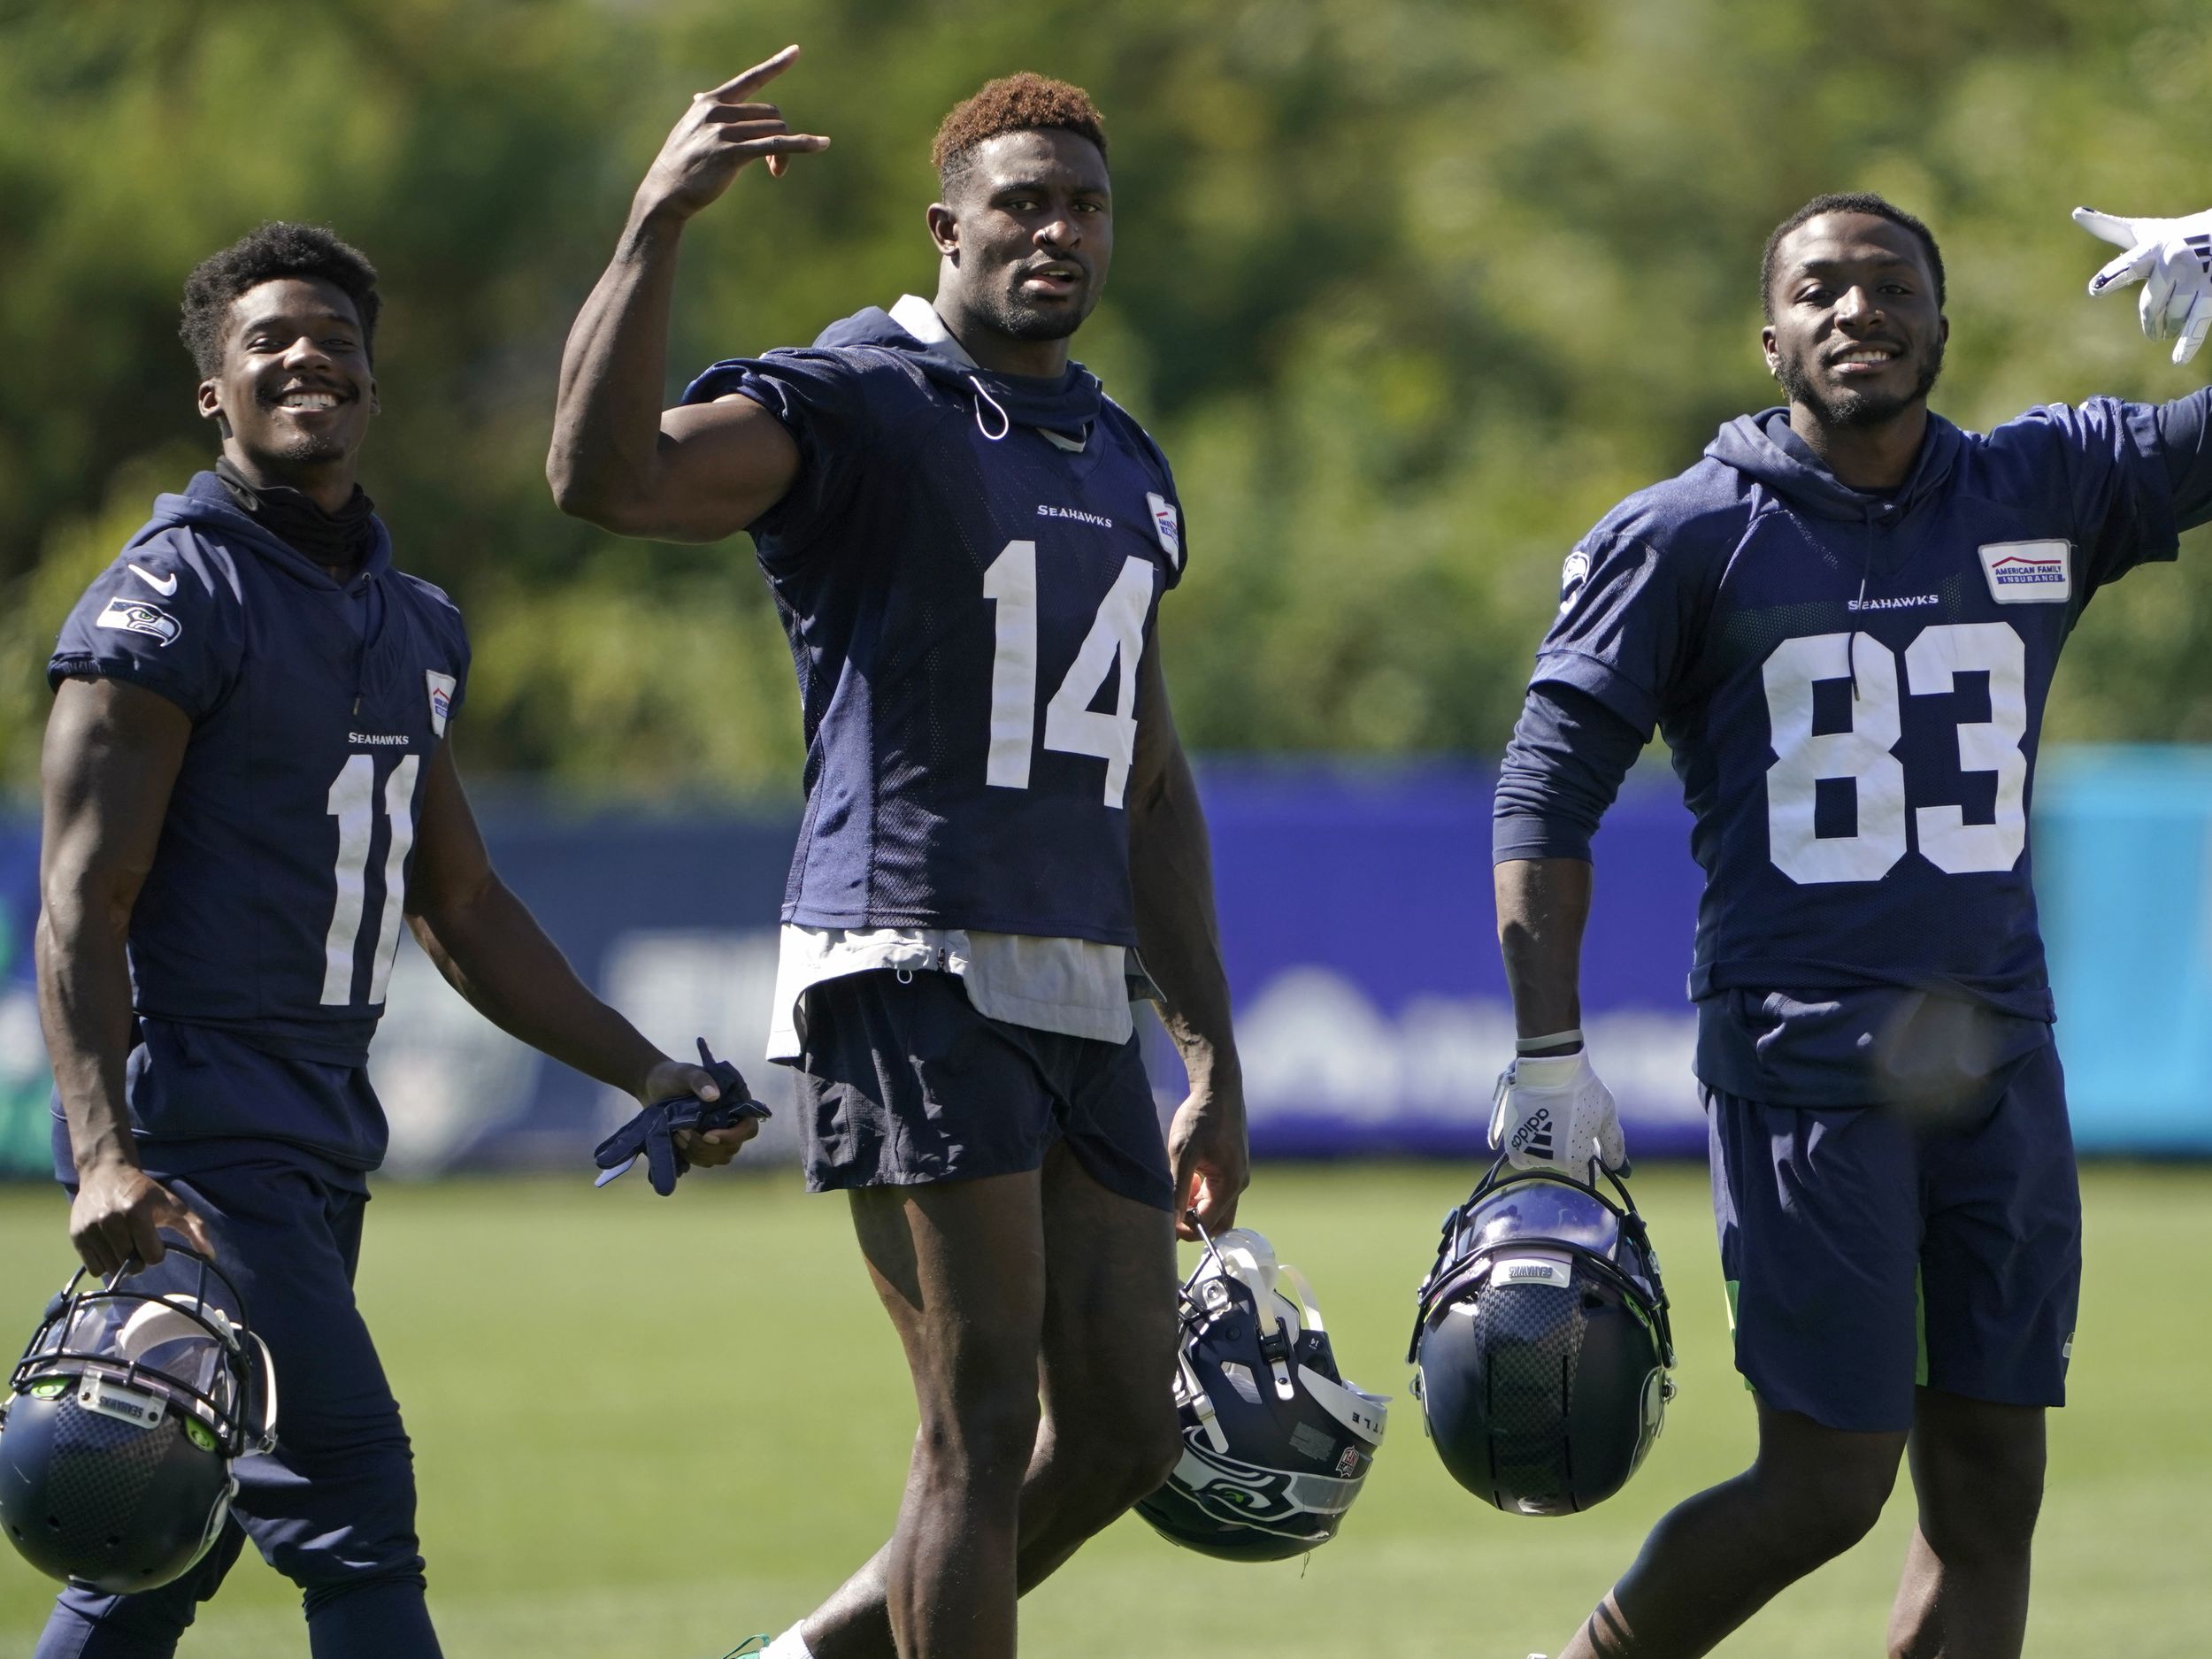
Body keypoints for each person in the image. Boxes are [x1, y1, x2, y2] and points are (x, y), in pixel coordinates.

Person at [547, 48, 1247, 1659]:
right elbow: (605, 480)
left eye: (1084, 205)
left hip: (1078, 978)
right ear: (948, 225)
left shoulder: (1132, 462)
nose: (1056, 231)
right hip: (909, 947)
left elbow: (1146, 783)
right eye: (1022, 204)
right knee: (982, 1418)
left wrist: (1208, 1049)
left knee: (1133, 1427)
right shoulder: (865, 391)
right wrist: (656, 223)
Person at [1488, 193, 2212, 1659]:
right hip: (1806, 1062)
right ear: (1770, 339)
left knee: (1994, 1486)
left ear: (1944, 327)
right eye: (1820, 290)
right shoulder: (1688, 534)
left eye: (1891, 288)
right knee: (1825, 1485)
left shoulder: (2041, 482)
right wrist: (1549, 1055)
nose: (1857, 311)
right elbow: (1542, 792)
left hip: (1998, 1056)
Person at [34, 222, 757, 1659]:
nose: (308, 355)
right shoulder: (170, 595)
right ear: (213, 395)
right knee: (357, 1508)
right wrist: (107, 1149)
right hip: (202, 1132)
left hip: (316, 1131)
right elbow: (78, 900)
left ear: (373, 379)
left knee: (171, 1533)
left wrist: (648, 1073)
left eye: (334, 337)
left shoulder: (405, 616)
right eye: (268, 342)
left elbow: (464, 907)